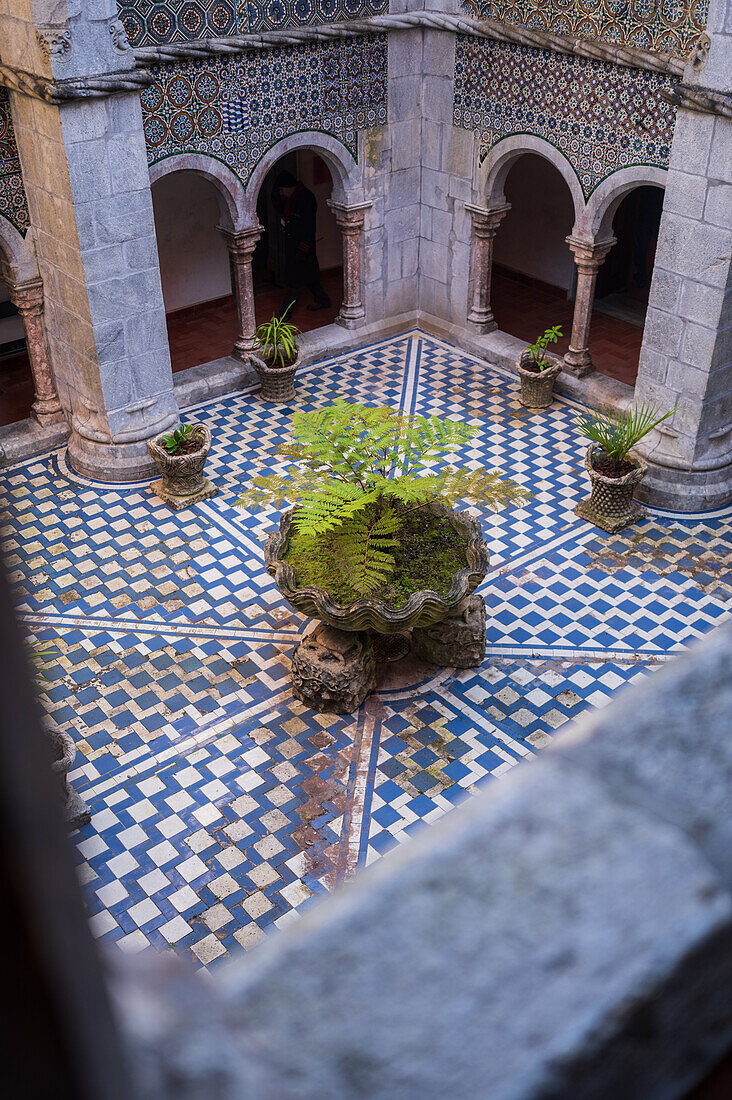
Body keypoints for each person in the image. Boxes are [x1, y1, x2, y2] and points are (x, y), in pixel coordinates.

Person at [272, 170, 331, 319]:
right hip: (294, 247)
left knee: (295, 284)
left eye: (282, 189)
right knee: (311, 279)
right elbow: (281, 210)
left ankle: (285, 314)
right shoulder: (291, 198)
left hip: (303, 248)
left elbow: (308, 227)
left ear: (290, 187)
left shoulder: (306, 198)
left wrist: (302, 250)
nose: (282, 193)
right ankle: (324, 301)